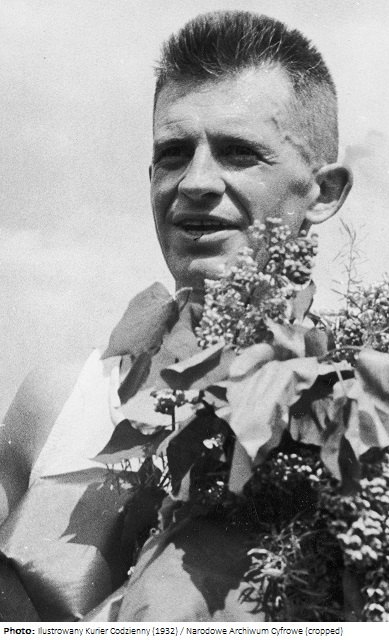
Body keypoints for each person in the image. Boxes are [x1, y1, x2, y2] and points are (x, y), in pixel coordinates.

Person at [0, 10, 352, 621]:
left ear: (324, 192)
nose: (195, 182)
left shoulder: (376, 404)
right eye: (173, 154)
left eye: (239, 153)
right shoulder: (62, 402)